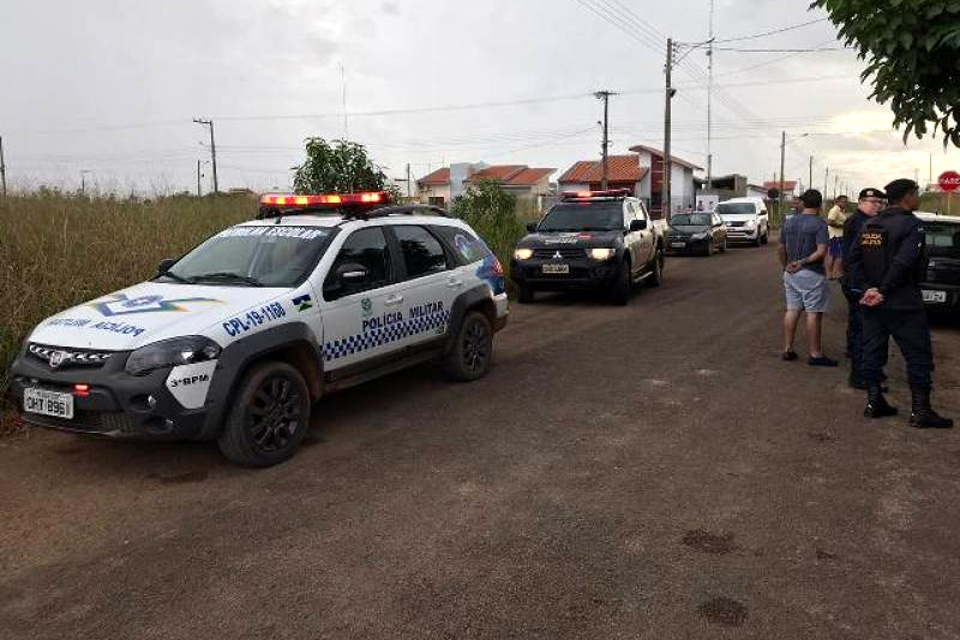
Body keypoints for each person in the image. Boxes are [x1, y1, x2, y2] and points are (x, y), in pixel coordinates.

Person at [847, 179, 953, 429]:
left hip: (871, 302)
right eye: (916, 194)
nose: (918, 199)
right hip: (902, 303)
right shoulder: (911, 225)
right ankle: (920, 410)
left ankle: (874, 403)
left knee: (872, 353)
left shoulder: (870, 224)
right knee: (918, 356)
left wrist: (867, 289)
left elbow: (852, 261)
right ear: (908, 196)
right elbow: (903, 263)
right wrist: (882, 291)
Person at [779, 189, 838, 366]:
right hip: (811, 272)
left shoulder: (789, 222)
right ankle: (815, 354)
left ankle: (788, 349)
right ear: (820, 205)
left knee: (792, 309)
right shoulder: (819, 224)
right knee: (813, 313)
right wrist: (802, 262)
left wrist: (785, 266)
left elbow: (780, 248)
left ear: (803, 203)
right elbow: (821, 251)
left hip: (790, 273)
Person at [841, 188, 887, 389]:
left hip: (857, 282)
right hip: (860, 284)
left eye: (880, 202)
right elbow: (855, 258)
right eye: (872, 201)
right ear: (860, 202)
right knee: (865, 330)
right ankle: (861, 375)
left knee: (858, 327)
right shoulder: (859, 223)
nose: (877, 205)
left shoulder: (862, 220)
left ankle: (861, 368)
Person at [825, 195, 850, 279]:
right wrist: (843, 226)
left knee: (834, 254)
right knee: (836, 255)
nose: (845, 203)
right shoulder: (835, 210)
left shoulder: (840, 210)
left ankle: (832, 273)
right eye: (843, 201)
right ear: (838, 201)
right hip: (835, 236)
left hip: (838, 235)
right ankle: (833, 273)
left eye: (846, 202)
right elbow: (829, 222)